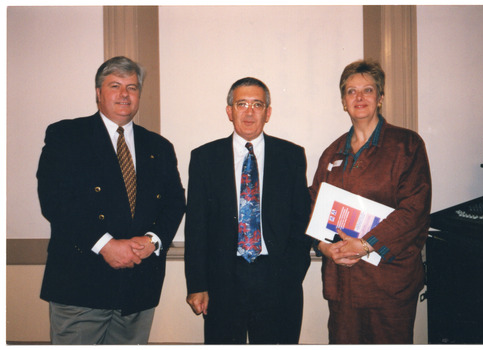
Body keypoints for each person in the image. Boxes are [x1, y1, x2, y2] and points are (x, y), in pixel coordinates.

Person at [37, 56, 186, 345]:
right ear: (98, 93)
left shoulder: (159, 146)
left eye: (132, 87)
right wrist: (105, 244)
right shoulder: (66, 135)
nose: (124, 94)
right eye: (115, 85)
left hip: (138, 287)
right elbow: (55, 200)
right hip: (81, 285)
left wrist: (154, 240)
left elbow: (174, 202)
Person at [309, 60, 431, 344]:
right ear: (343, 101)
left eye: (368, 90)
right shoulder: (331, 154)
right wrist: (325, 247)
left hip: (389, 284)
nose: (359, 98)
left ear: (380, 98)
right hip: (343, 283)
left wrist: (365, 245)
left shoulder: (407, 145)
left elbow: (414, 210)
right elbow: (315, 208)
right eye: (351, 91)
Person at [184, 77, 312, 344]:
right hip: (222, 281)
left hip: (277, 279)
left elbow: (302, 220)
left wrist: (291, 274)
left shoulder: (291, 156)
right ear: (229, 111)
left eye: (258, 104)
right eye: (242, 104)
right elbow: (196, 227)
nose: (250, 112)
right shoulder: (205, 158)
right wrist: (197, 285)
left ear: (268, 112)